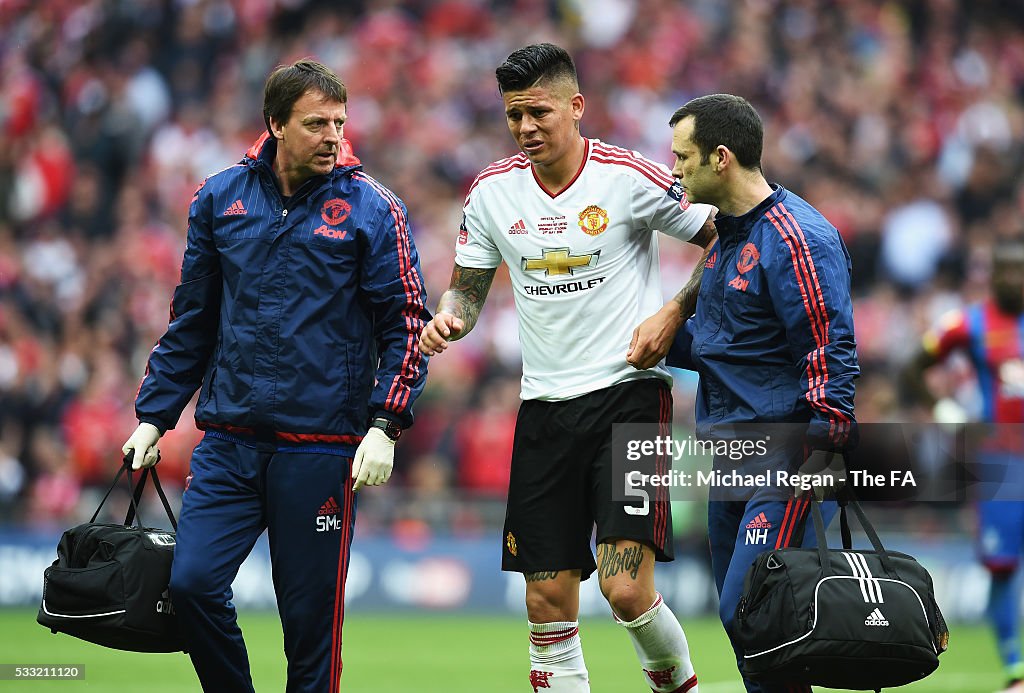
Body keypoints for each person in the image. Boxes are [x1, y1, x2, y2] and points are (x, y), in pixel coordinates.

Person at [121, 58, 430, 692]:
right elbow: (193, 320)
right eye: (316, 123)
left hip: (319, 449)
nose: (333, 136)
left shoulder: (373, 209)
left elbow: (406, 325)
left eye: (339, 123)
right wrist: (155, 414)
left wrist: (385, 424)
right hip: (229, 442)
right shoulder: (219, 198)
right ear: (275, 125)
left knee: (309, 623)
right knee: (191, 584)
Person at [419, 43, 716, 693]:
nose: (525, 127)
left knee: (624, 588)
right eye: (513, 115)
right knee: (546, 602)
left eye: (538, 112)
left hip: (628, 397)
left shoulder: (626, 177)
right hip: (545, 409)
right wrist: (451, 316)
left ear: (576, 106)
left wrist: (674, 311)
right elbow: (467, 289)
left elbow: (725, 234)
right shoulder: (494, 192)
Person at [664, 94, 858, 693]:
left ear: (720, 158)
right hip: (725, 455)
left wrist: (823, 451)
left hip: (784, 452)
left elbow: (830, 347)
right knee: (751, 624)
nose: (673, 169)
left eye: (682, 157)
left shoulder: (797, 237)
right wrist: (656, 335)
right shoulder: (727, 237)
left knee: (749, 608)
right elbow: (729, 349)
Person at [903, 241, 1024, 693]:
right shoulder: (970, 324)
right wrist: (944, 408)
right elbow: (915, 368)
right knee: (1002, 566)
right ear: (992, 276)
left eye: (1020, 271)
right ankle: (1016, 669)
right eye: (1005, 271)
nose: (1013, 280)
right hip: (999, 462)